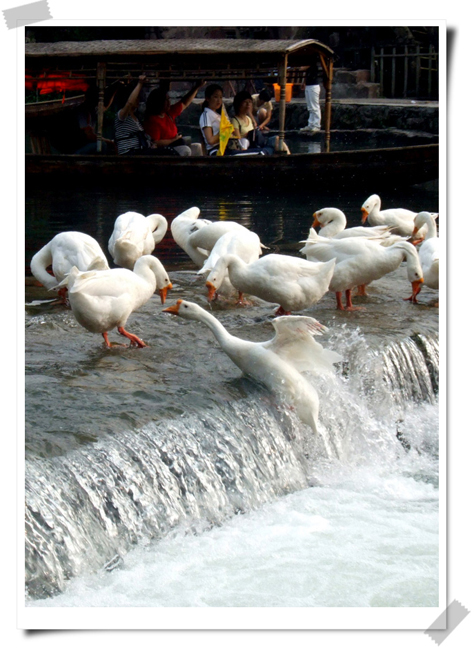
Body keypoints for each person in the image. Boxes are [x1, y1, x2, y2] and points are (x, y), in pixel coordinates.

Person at [143, 81, 205, 156]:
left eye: (168, 99)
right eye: (166, 100)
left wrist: (196, 87)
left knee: (198, 147)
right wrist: (174, 140)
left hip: (177, 145)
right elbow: (156, 142)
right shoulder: (152, 120)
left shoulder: (169, 113)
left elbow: (184, 103)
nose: (169, 102)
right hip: (165, 151)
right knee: (185, 150)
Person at [114, 75, 155, 155]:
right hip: (129, 152)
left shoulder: (136, 118)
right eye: (136, 98)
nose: (138, 100)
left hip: (140, 151)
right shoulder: (121, 115)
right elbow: (129, 103)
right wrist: (140, 83)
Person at [199, 84, 240, 156]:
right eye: (216, 97)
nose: (219, 100)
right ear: (207, 98)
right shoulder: (206, 115)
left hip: (227, 148)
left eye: (220, 97)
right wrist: (224, 132)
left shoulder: (219, 115)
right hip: (216, 150)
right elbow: (210, 140)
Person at [300, 62, 323, 134]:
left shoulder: (313, 64)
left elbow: (302, 68)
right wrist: (304, 82)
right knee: (310, 106)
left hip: (314, 86)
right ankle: (311, 124)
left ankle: (316, 125)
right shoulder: (309, 68)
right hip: (308, 85)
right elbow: (305, 73)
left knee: (314, 106)